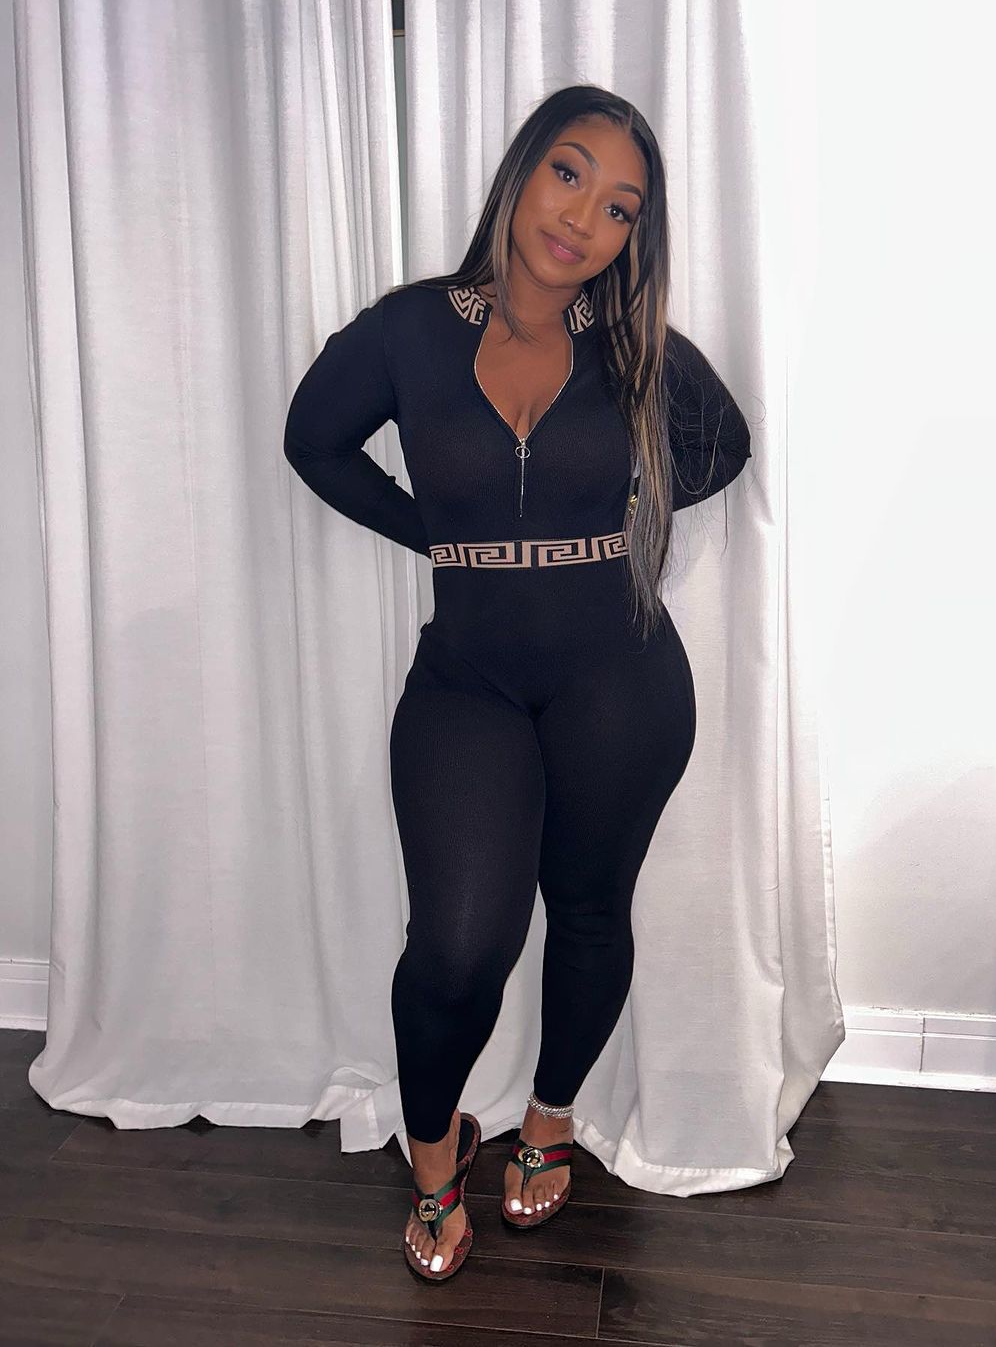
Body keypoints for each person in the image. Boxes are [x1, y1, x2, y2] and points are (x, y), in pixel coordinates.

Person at [283, 83, 751, 1282]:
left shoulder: (632, 345)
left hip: (623, 679)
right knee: (457, 947)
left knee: (590, 912)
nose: (584, 217)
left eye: (621, 207)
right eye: (569, 174)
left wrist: (627, 517)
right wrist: (433, 532)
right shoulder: (409, 329)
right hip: (469, 684)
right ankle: (434, 1151)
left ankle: (550, 1120)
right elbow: (313, 440)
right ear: (522, 170)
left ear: (632, 236)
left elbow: (724, 443)